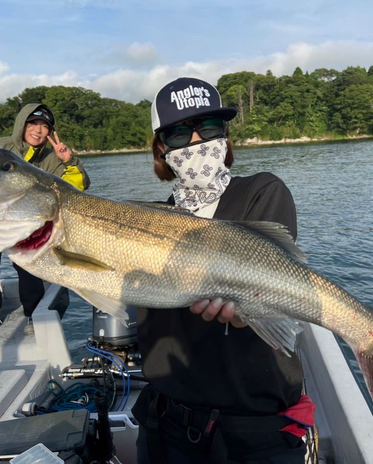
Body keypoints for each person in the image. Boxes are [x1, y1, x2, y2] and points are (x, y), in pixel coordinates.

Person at [132, 77, 314, 464]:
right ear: (161, 148)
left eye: (209, 127)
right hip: (165, 424)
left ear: (226, 136)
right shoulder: (144, 222)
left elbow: (270, 287)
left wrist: (252, 310)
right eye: (180, 132)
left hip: (255, 430)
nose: (197, 140)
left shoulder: (263, 192)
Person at [0, 103, 90, 335]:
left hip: (25, 221)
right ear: (22, 124)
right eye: (33, 123)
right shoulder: (0, 147)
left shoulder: (52, 158)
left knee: (29, 266)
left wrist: (68, 161)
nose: (38, 130)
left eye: (45, 126)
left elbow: (77, 189)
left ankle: (32, 313)